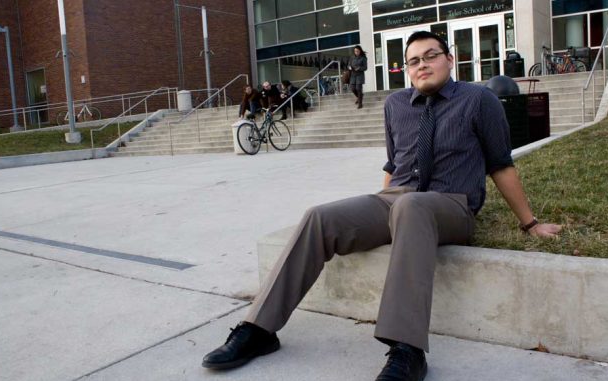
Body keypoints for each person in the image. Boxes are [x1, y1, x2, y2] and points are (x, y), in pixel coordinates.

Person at [201, 31, 562, 380]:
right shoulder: (396, 105)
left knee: (413, 208)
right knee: (319, 216)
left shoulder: (478, 100)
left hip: (452, 205)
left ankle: (407, 350)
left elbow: (500, 163)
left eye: (431, 56)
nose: (422, 65)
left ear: (450, 60)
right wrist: (379, 213)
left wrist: (530, 223)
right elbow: (394, 166)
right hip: (398, 199)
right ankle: (260, 328)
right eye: (414, 61)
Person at [348, 45, 368, 109]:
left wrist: (359, 68)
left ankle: (360, 104)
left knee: (358, 89)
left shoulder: (363, 58)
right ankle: (359, 96)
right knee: (353, 88)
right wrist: (349, 67)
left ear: (360, 51)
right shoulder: (352, 57)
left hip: (360, 75)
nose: (356, 52)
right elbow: (348, 65)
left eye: (357, 51)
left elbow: (365, 67)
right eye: (355, 51)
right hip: (353, 75)